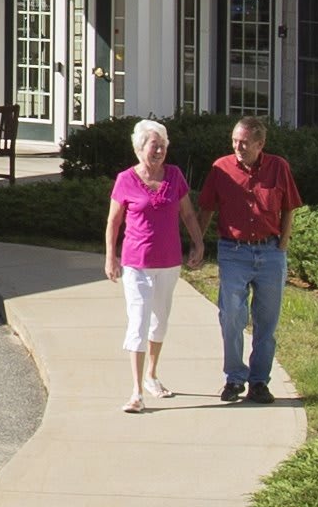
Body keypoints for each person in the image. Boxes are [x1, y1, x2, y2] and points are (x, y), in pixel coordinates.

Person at [199, 112, 300, 405]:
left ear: (260, 143)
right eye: (234, 141)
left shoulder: (278, 167)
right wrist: (196, 243)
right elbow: (206, 207)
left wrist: (282, 243)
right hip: (234, 252)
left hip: (270, 253)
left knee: (266, 323)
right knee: (231, 315)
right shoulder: (221, 168)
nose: (237, 147)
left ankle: (259, 382)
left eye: (243, 142)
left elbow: (289, 207)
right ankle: (234, 378)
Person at [104, 117, 200, 414]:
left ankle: (152, 376)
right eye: (153, 146)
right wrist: (110, 256)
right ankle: (135, 393)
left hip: (169, 262)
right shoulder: (125, 180)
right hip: (136, 264)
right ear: (139, 148)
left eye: (162, 146)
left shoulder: (174, 176)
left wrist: (199, 243)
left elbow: (187, 215)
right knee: (139, 320)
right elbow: (114, 221)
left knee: (160, 321)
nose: (159, 152)